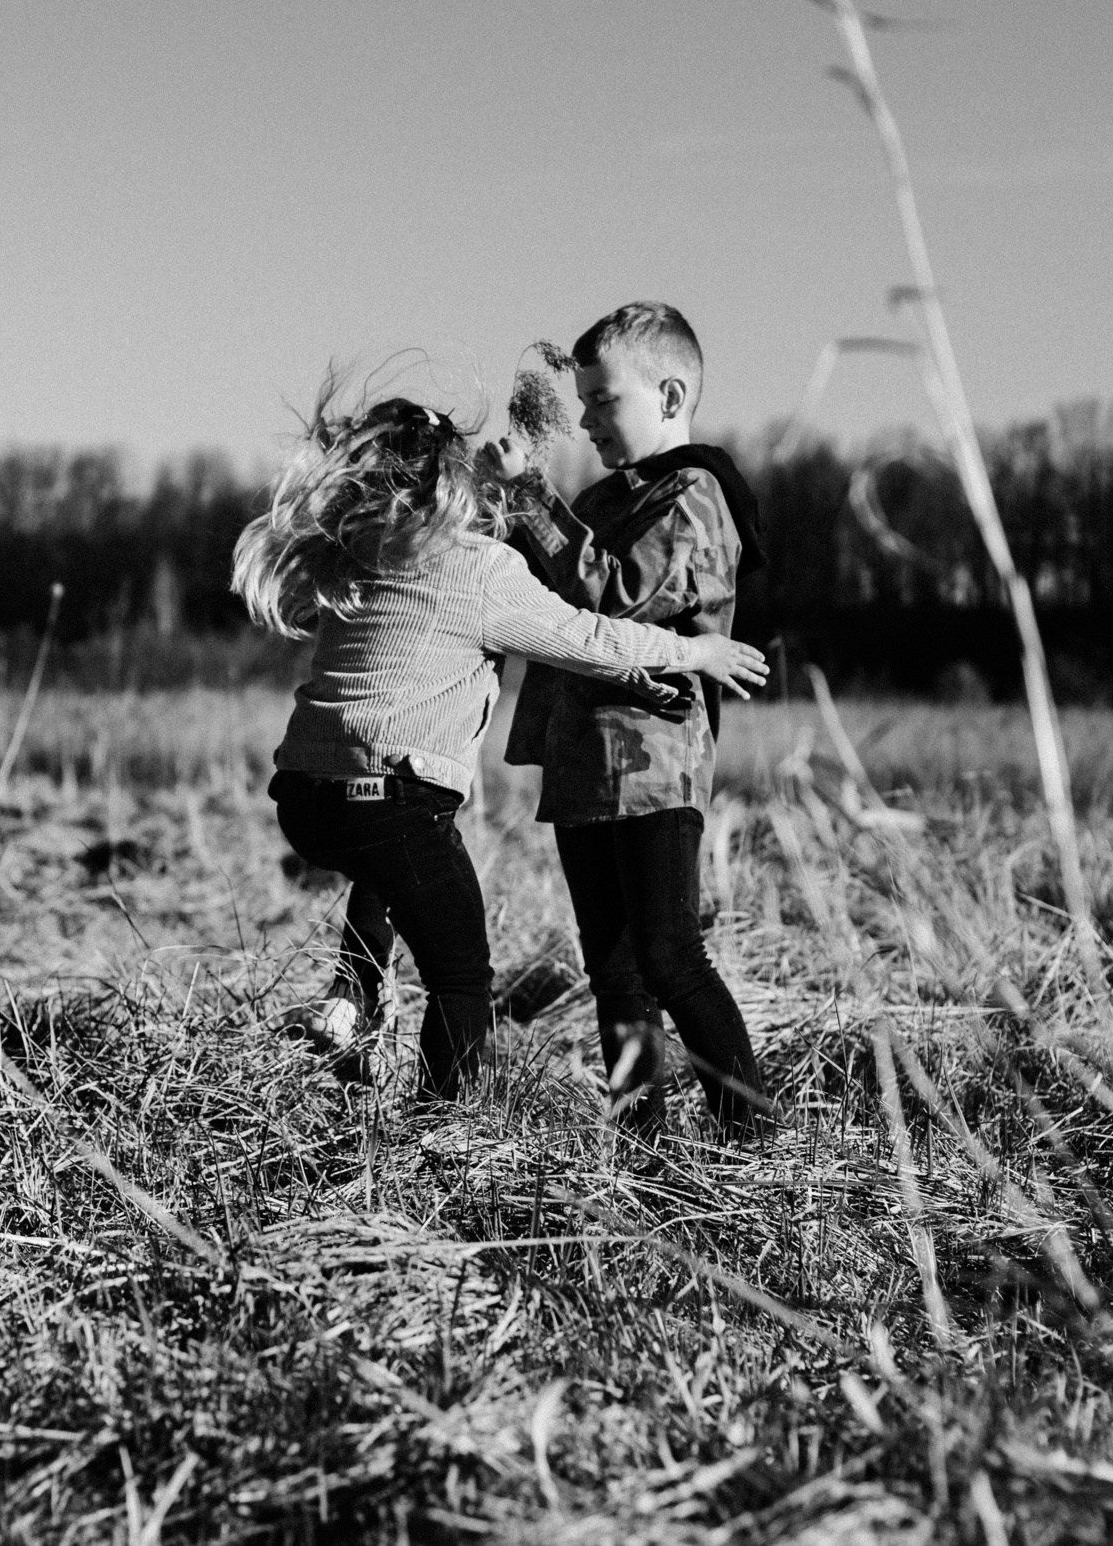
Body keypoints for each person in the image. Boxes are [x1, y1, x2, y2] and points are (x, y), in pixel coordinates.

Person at [233, 373, 769, 1104]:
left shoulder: (364, 550)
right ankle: (440, 1127)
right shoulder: (477, 569)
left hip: (302, 797)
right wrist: (692, 654)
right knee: (460, 976)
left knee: (384, 856)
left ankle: (355, 990)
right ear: (451, 482)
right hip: (388, 793)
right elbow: (586, 634)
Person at [486, 302, 772, 1136]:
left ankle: (751, 1137)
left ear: (671, 394)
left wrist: (533, 498)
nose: (584, 418)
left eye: (602, 400)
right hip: (582, 765)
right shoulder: (609, 496)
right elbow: (547, 595)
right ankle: (640, 1150)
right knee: (614, 973)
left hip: (651, 767)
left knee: (670, 958)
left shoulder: (695, 495)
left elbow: (611, 592)